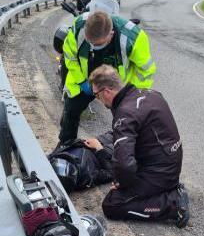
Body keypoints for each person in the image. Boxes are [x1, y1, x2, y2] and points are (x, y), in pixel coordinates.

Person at [85, 65, 190, 228]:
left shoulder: (125, 114)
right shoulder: (150, 94)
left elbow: (125, 166)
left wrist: (120, 183)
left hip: (161, 173)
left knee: (112, 205)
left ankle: (172, 204)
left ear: (106, 91)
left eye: (96, 95)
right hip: (170, 162)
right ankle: (167, 190)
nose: (98, 99)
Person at [59, 10, 156, 144]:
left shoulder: (133, 38)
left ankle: (121, 150)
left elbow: (146, 71)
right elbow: (69, 56)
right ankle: (65, 144)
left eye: (98, 44)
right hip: (84, 80)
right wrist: (81, 81)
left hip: (116, 86)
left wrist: (131, 96)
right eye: (90, 42)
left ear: (111, 34)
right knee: (71, 111)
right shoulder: (79, 27)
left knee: (124, 122)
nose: (93, 46)